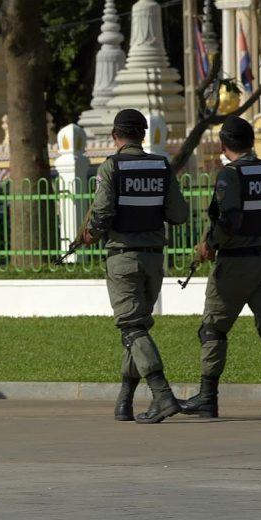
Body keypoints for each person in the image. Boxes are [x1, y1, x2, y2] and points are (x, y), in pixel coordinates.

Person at [180, 115, 261, 419]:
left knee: (213, 330)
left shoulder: (229, 175)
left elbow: (229, 220)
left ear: (223, 145)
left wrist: (210, 243)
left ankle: (208, 397)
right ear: (250, 142)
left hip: (234, 265)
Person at [82, 109, 189, 424]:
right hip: (154, 258)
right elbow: (180, 214)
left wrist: (90, 234)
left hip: (123, 257)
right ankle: (125, 400)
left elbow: (101, 213)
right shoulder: (162, 166)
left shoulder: (111, 167)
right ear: (143, 136)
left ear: (115, 136)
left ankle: (162, 394)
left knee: (132, 328)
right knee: (137, 327)